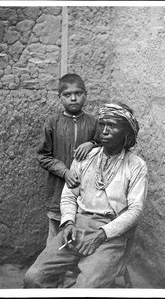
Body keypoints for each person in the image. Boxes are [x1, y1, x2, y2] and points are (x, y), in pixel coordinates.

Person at [24, 102, 148, 288]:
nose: (104, 131)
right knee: (33, 277)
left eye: (112, 126)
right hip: (76, 228)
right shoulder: (86, 157)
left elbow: (135, 211)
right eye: (102, 124)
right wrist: (67, 223)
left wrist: (101, 235)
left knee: (85, 288)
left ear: (126, 132)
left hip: (109, 236)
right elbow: (69, 195)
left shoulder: (136, 166)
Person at [37, 73, 98, 244]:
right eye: (67, 94)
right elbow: (43, 156)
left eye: (78, 93)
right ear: (59, 97)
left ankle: (73, 269)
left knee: (82, 236)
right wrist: (64, 172)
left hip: (85, 192)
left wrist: (92, 143)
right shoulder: (52, 123)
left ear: (86, 94)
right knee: (55, 237)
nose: (73, 98)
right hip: (58, 189)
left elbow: (105, 152)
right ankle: (51, 269)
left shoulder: (94, 123)